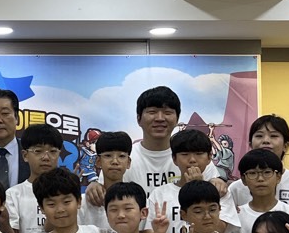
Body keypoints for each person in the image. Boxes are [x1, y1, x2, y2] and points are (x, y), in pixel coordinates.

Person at [84, 86, 219, 207]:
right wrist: (94, 186)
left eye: (167, 112)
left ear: (177, 119)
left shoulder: (193, 158)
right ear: (138, 119)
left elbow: (214, 195)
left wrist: (218, 183)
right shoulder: (124, 157)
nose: (160, 118)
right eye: (152, 112)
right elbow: (106, 189)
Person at [77, 130, 134, 233]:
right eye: (108, 155)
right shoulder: (83, 202)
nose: (115, 161)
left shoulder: (136, 200)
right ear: (98, 161)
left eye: (121, 156)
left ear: (128, 162)